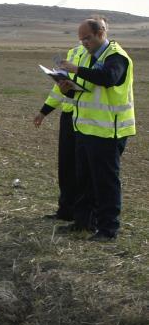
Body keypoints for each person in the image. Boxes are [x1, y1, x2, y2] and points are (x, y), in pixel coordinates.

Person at [57, 16, 135, 241]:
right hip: (86, 129)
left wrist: (77, 69)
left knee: (105, 183)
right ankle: (83, 223)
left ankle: (108, 229)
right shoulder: (91, 57)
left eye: (87, 39)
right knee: (84, 181)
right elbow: (87, 91)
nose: (84, 44)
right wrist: (66, 89)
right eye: (81, 40)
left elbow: (109, 78)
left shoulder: (116, 56)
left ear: (101, 33)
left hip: (109, 132)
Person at [33, 41, 91, 220]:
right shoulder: (73, 53)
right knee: (66, 166)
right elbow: (59, 89)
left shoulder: (100, 55)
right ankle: (65, 211)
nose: (85, 41)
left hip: (88, 117)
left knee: (83, 169)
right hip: (68, 116)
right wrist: (44, 111)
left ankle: (83, 215)